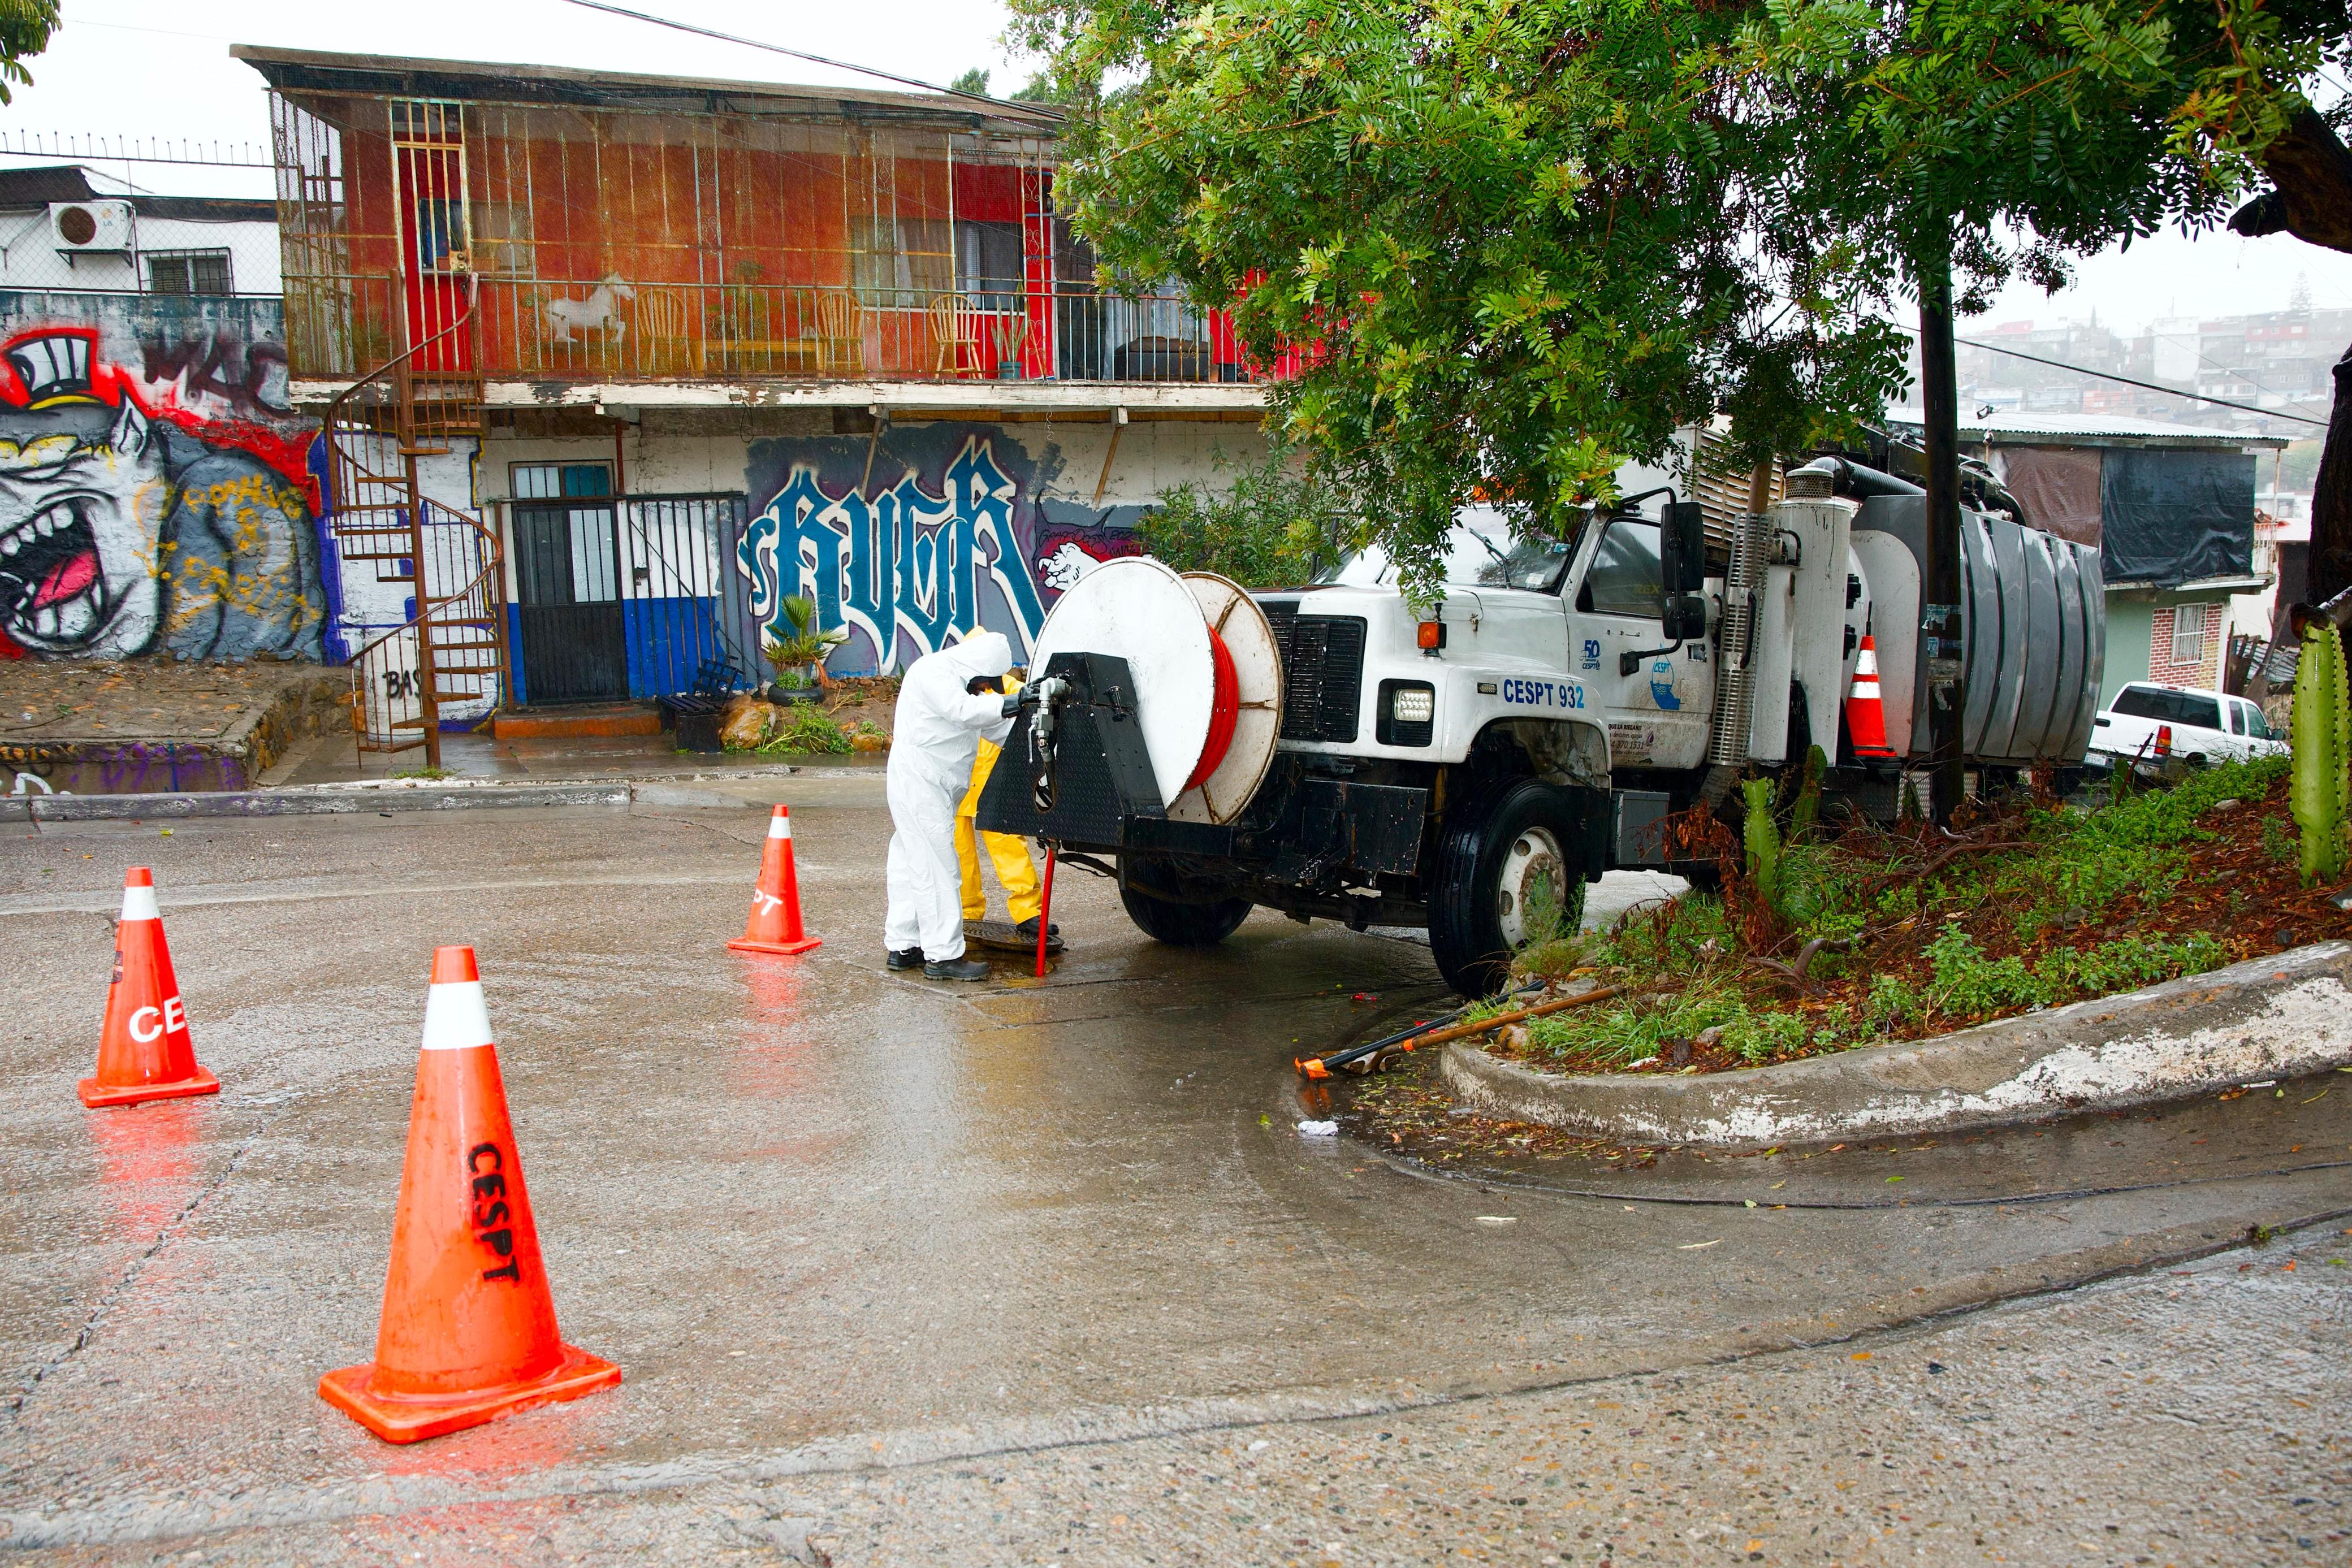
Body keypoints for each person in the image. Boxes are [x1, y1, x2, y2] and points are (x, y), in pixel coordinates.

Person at [885, 630, 1018, 981]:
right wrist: (1012, 703)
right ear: (977, 667)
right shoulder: (933, 672)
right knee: (938, 865)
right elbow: (963, 712)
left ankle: (904, 944)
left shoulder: (963, 686)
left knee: (910, 860)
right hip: (921, 783)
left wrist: (1032, 730)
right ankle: (944, 956)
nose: (985, 689)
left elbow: (996, 727)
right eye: (986, 682)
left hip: (931, 786)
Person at [956, 670, 1057, 943]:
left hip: (995, 785)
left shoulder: (1013, 689)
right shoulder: (956, 688)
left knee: (1010, 849)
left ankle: (1028, 914)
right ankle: (967, 915)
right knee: (959, 855)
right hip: (959, 784)